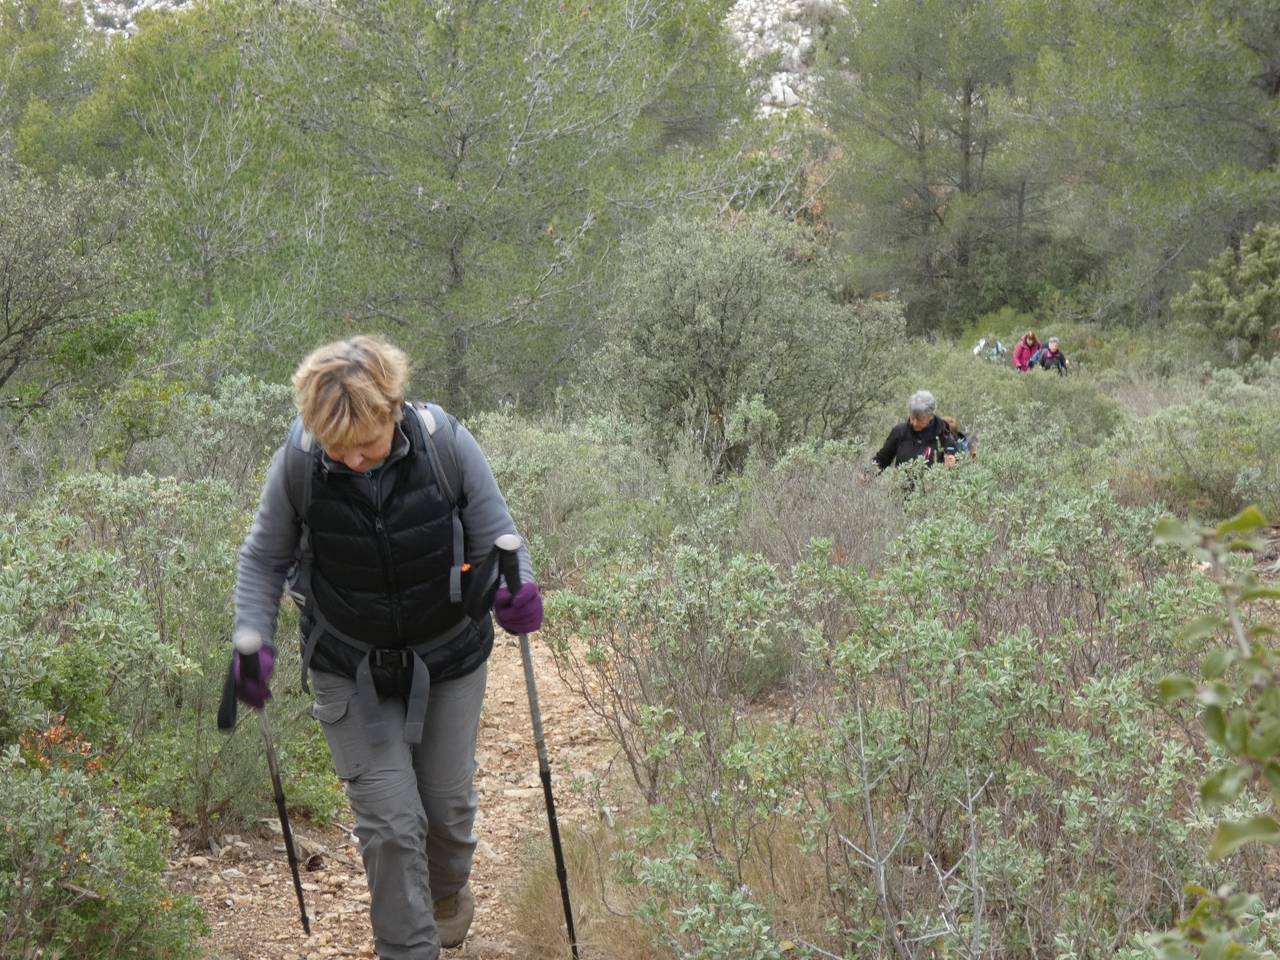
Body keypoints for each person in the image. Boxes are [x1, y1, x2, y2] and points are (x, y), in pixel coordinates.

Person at [231, 336, 541, 960]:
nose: (350, 459)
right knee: (392, 827)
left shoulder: (446, 442)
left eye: (365, 445)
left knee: (447, 814)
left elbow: (497, 533)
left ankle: (449, 893)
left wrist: (518, 590)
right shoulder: (298, 464)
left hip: (449, 654)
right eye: (335, 448)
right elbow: (264, 560)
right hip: (349, 664)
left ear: (394, 409)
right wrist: (253, 639)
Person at [873, 390, 962, 471]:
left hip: (931, 487)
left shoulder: (944, 435)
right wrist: (865, 474)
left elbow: (958, 466)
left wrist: (953, 465)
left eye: (919, 419)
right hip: (900, 487)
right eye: (912, 418)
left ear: (930, 416)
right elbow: (881, 460)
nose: (914, 423)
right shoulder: (900, 431)